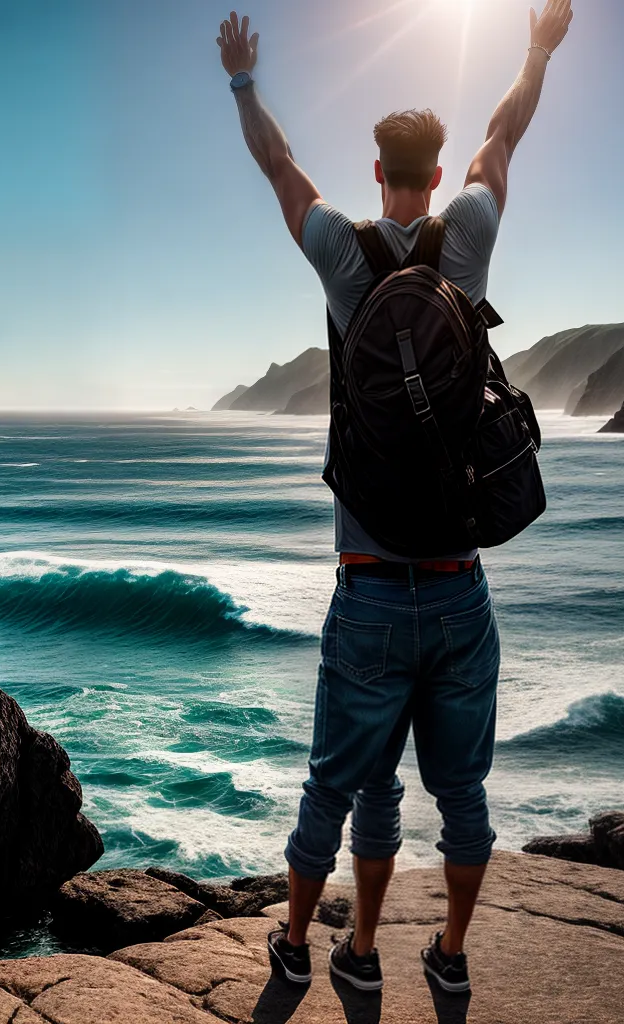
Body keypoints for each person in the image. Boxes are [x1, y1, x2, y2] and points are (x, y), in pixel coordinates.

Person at [216, 0, 573, 996]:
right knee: (462, 796)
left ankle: (325, 948)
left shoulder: (343, 253)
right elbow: (506, 134)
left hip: (368, 580)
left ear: (377, 174)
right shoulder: (469, 233)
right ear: (439, 167)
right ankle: (450, 959)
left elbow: (279, 168)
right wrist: (537, 48)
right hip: (459, 585)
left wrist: (242, 79)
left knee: (346, 787)